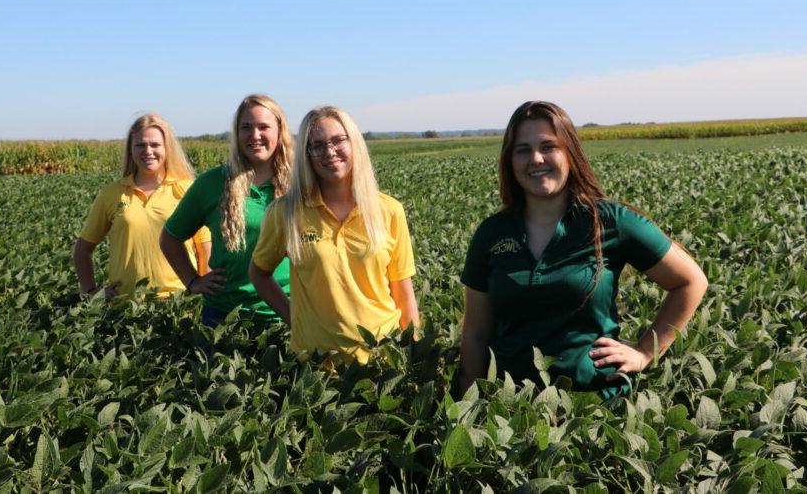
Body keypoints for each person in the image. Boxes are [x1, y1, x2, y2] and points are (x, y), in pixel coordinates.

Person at [459, 101, 708, 398]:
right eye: (522, 149)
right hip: (511, 413)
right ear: (509, 161)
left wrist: (644, 352)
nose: (536, 159)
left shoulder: (611, 221)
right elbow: (475, 336)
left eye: (548, 146)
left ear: (570, 153)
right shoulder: (492, 234)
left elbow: (691, 281)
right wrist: (467, 407)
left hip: (594, 407)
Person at [249, 106, 419, 363]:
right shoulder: (285, 213)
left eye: (338, 140)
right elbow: (259, 273)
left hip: (383, 360)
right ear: (307, 155)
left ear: (355, 143)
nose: (329, 152)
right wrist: (294, 318)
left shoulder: (389, 211)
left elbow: (403, 292)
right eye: (317, 146)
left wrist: (415, 353)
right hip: (317, 366)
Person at [160, 94, 293, 327]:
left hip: (287, 313)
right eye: (246, 128)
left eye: (264, 127)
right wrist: (192, 281)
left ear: (279, 131)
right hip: (224, 316)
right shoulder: (212, 183)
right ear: (237, 133)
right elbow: (170, 238)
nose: (255, 135)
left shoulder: (301, 183)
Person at [74, 113, 210, 299]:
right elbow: (82, 249)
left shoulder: (188, 190)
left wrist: (203, 291)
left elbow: (205, 249)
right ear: (131, 150)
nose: (148, 151)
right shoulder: (112, 193)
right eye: (140, 145)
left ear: (167, 148)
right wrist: (91, 293)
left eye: (155, 145)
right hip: (125, 306)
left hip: (179, 304)